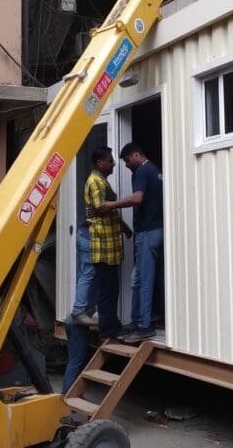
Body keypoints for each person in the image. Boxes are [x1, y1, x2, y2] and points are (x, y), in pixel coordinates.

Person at [99, 142, 163, 344]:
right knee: (138, 280)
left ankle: (144, 327)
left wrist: (111, 205)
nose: (126, 166)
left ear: (136, 155)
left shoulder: (143, 172)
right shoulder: (155, 170)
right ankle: (138, 322)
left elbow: (137, 199)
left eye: (127, 161)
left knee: (143, 280)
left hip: (148, 232)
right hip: (153, 231)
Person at [84, 146, 126, 339]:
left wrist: (125, 228)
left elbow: (100, 208)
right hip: (103, 245)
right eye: (110, 160)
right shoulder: (96, 182)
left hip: (109, 244)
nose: (113, 164)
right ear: (100, 163)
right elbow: (100, 207)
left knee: (111, 288)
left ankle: (112, 325)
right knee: (107, 290)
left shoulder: (101, 181)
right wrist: (123, 202)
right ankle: (109, 329)